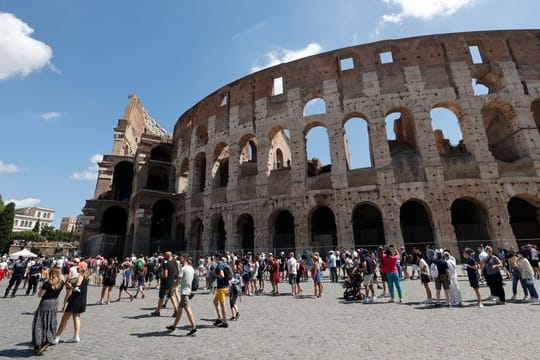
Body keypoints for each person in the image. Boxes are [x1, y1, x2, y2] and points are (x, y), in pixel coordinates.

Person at [53, 261, 89, 344]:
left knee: (64, 318)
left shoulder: (80, 277)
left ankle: (57, 337)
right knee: (76, 317)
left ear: (81, 268)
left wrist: (70, 286)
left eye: (78, 268)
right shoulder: (87, 277)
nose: (77, 269)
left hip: (75, 299)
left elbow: (77, 288)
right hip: (82, 299)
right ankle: (76, 336)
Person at [31, 267, 64, 355]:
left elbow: (39, 295)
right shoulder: (61, 283)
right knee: (51, 321)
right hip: (55, 302)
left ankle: (39, 343)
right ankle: (48, 339)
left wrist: (41, 288)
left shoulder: (47, 283)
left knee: (40, 322)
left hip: (46, 302)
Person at [167, 256, 197, 336]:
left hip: (184, 292)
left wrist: (170, 288)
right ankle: (174, 326)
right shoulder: (191, 268)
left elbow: (177, 282)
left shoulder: (183, 269)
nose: (180, 260)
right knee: (180, 310)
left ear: (186, 260)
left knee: (188, 309)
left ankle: (194, 328)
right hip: (188, 290)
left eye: (182, 259)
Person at [151, 252, 177, 316]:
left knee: (161, 297)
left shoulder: (165, 263)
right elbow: (176, 272)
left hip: (165, 283)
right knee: (171, 296)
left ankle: (157, 311)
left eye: (165, 255)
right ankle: (176, 310)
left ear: (167, 256)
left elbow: (165, 275)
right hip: (171, 281)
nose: (164, 257)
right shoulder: (174, 262)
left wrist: (160, 276)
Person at [213, 255, 229, 328]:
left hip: (221, 288)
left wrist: (215, 274)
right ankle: (220, 318)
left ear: (217, 258)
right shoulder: (223, 264)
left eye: (214, 257)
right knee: (215, 301)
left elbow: (222, 275)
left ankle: (225, 322)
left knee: (223, 305)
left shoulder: (219, 266)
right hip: (225, 286)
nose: (213, 259)